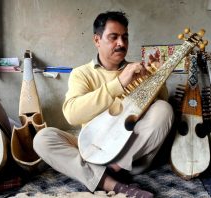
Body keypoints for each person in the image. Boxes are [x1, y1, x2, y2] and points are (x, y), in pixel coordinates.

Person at [33, 11, 174, 198]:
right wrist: (119, 83)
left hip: (130, 153)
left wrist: (158, 79)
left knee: (164, 108)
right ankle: (115, 184)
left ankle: (108, 170)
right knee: (43, 138)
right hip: (92, 148)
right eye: (113, 37)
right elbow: (72, 115)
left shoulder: (138, 70)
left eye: (125, 37)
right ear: (97, 40)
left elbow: (158, 116)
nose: (121, 43)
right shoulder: (81, 73)